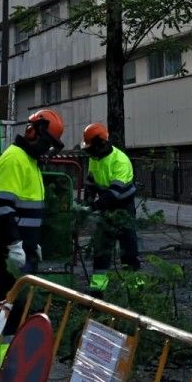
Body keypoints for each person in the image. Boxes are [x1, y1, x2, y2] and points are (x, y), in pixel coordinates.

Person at [0, 108, 66, 302]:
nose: (48, 148)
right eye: (47, 142)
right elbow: (3, 207)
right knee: (11, 302)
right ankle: (5, 333)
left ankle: (10, 331)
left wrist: (32, 242)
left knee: (19, 301)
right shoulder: (15, 159)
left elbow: (26, 208)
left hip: (22, 243)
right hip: (8, 244)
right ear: (33, 132)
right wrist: (15, 245)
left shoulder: (30, 161)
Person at [81, 122, 141, 293]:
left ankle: (134, 292)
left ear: (100, 143)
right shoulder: (95, 158)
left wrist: (92, 207)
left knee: (128, 249)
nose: (89, 152)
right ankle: (97, 292)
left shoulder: (120, 161)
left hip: (123, 208)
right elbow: (91, 182)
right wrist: (89, 197)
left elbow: (114, 193)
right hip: (107, 207)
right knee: (101, 249)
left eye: (91, 147)